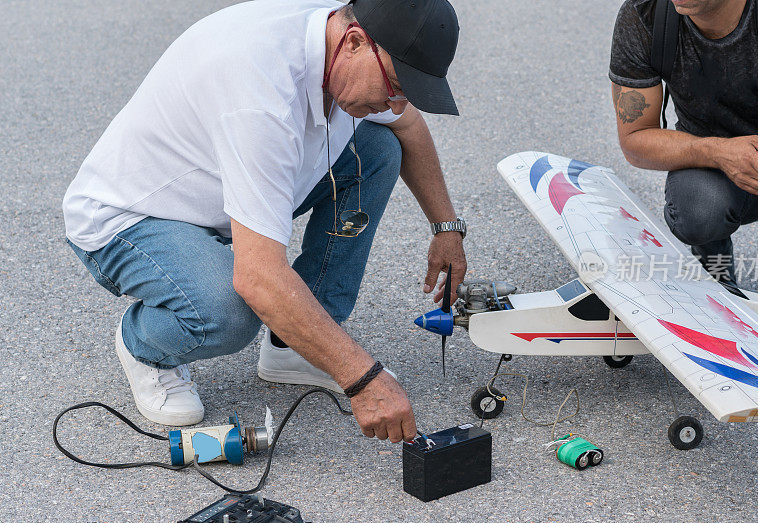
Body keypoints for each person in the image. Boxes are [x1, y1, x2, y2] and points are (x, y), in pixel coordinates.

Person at [62, 0, 468, 444]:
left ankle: (294, 346)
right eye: (394, 86)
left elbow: (407, 127)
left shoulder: (344, 36)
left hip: (219, 191)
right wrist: (362, 379)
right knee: (231, 313)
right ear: (354, 43)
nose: (394, 102)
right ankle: (144, 345)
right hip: (134, 216)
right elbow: (258, 278)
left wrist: (446, 229)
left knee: (378, 148)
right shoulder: (261, 95)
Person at [609, 0, 758, 339]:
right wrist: (717, 150)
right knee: (696, 210)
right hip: (721, 164)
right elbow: (635, 139)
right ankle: (717, 276)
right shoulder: (647, 14)